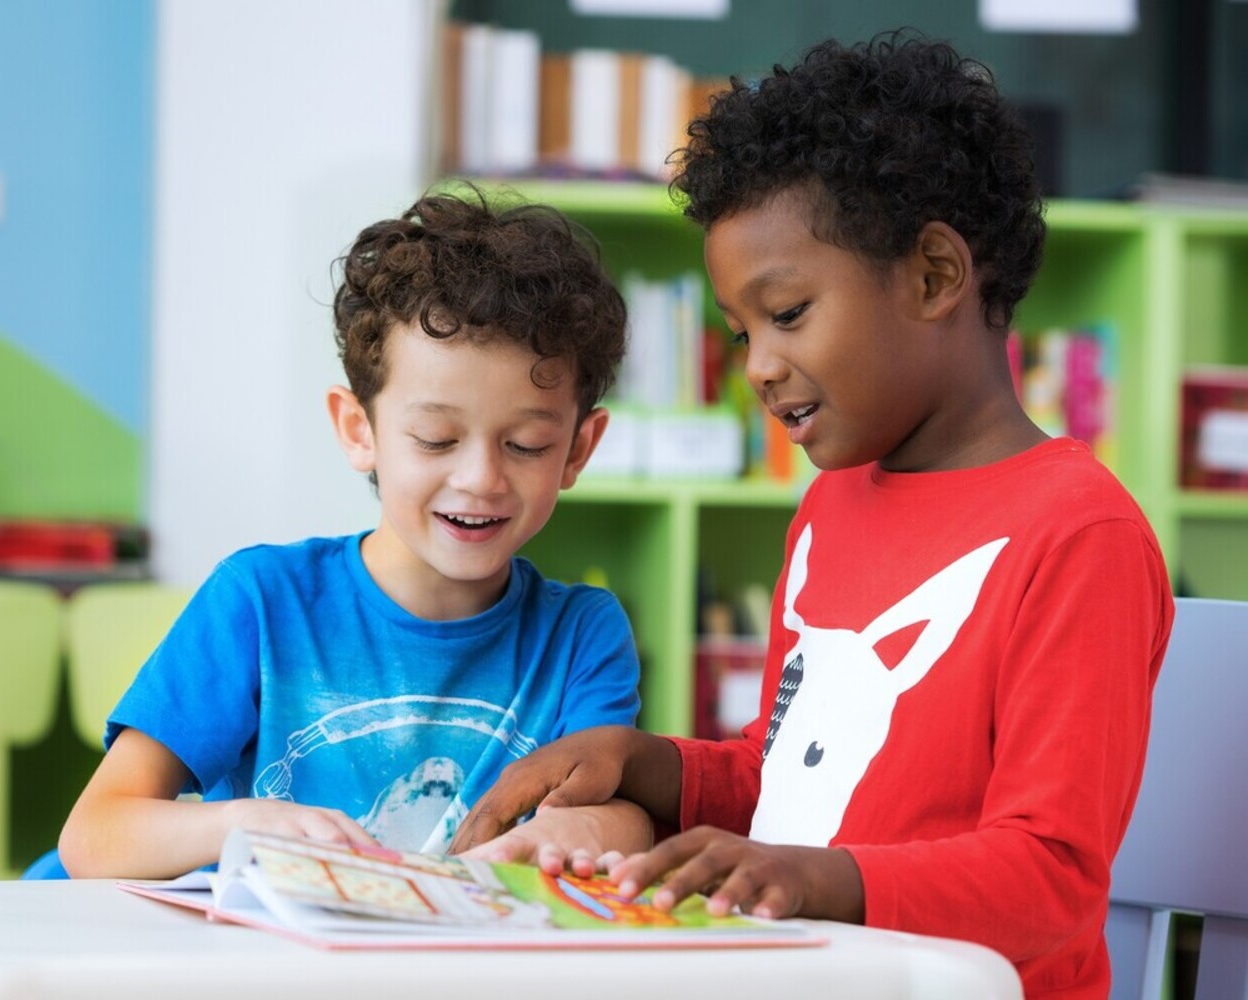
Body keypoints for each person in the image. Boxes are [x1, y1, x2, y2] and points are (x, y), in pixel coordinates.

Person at [449, 32, 1174, 1000]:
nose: (757, 364)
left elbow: (1052, 879)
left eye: (787, 313)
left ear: (932, 275)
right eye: (742, 331)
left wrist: (816, 879)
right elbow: (795, 775)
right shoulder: (832, 502)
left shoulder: (1078, 534)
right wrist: (650, 763)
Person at [57, 189, 651, 879]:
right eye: (436, 439)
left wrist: (591, 825)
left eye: (524, 444)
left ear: (578, 449)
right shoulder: (261, 600)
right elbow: (94, 836)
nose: (481, 478)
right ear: (357, 430)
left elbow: (623, 818)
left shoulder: (581, 633)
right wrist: (240, 823)